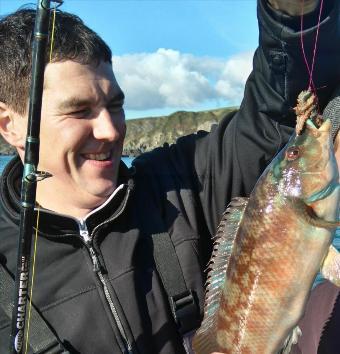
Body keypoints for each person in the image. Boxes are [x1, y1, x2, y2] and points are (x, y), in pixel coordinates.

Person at [0, 0, 339, 353]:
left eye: (115, 106)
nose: (110, 130)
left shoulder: (180, 183)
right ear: (10, 125)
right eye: (79, 110)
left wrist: (295, 15)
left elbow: (275, 111)